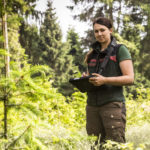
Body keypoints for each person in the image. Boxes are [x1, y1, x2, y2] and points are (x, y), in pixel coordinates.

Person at [83, 17, 134, 148]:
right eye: (96, 31)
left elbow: (130, 78)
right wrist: (86, 79)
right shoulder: (91, 54)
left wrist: (105, 80)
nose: (99, 34)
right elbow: (94, 77)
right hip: (92, 106)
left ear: (110, 30)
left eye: (102, 30)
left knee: (115, 145)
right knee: (95, 145)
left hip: (112, 104)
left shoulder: (120, 50)